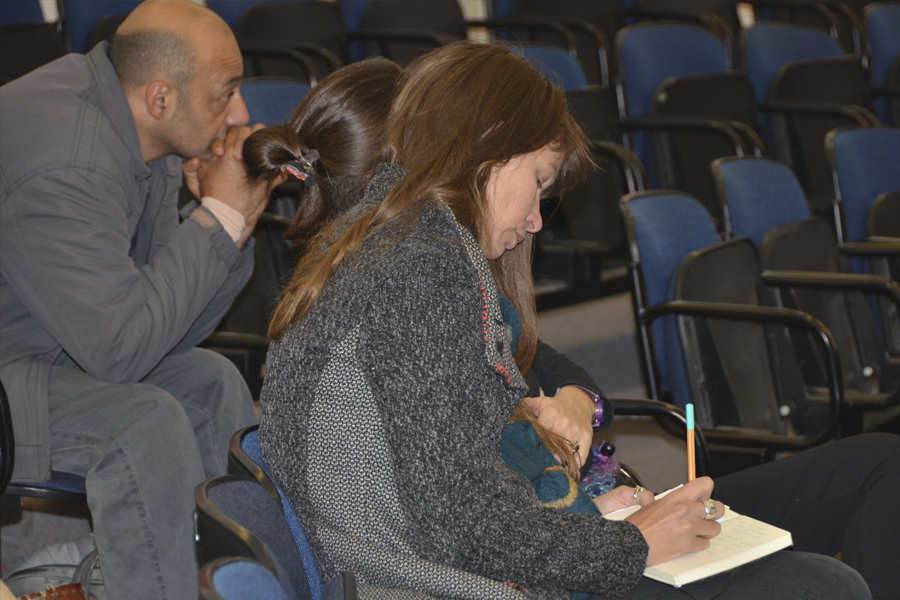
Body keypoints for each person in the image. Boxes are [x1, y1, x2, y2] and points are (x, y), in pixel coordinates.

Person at [257, 41, 899, 600]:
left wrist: (591, 515)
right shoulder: (418, 269)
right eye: (539, 181)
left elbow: (454, 494)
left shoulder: (394, 248)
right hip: (465, 585)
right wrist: (630, 543)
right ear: (490, 143)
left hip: (498, 560)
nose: (537, 219)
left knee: (877, 465)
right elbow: (461, 525)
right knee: (820, 584)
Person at [0, 1, 267, 598]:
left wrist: (229, 225)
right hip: (13, 368)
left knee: (211, 381)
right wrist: (218, 220)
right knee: (144, 425)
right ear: (160, 98)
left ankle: (243, 584)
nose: (241, 115)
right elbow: (120, 352)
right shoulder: (69, 159)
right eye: (225, 94)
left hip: (52, 346)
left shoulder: (140, 133)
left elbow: (168, 330)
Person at [243, 56, 612, 487]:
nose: (535, 222)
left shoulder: (409, 267)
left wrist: (579, 400)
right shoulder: (418, 281)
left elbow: (538, 357)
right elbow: (465, 502)